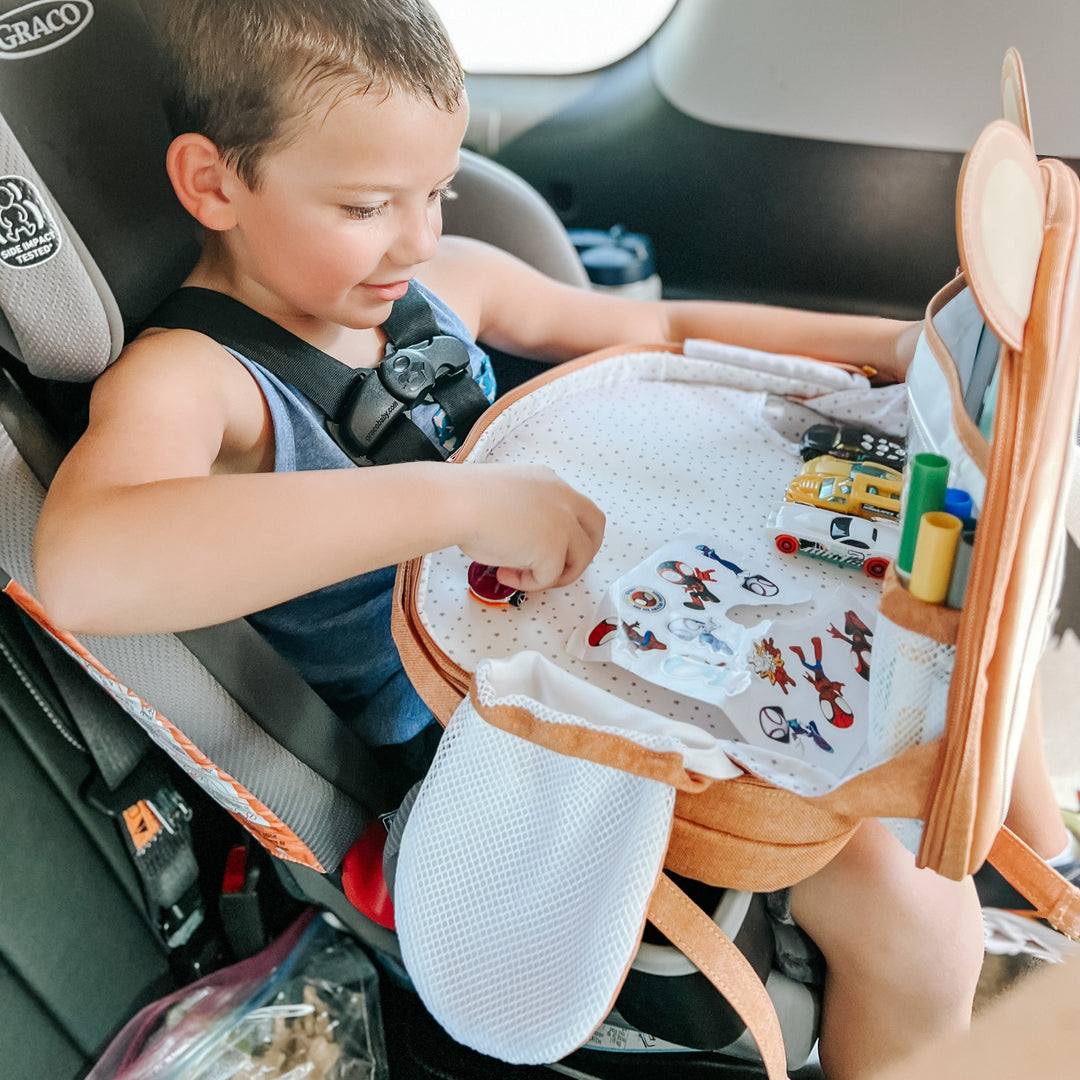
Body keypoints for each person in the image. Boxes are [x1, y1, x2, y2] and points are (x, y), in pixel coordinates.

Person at [32, 1, 982, 1077]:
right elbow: (84, 564)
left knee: (940, 682)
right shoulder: (196, 380)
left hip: (608, 636)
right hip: (498, 743)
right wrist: (459, 502)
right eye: (365, 204)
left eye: (435, 191)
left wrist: (909, 353)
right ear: (214, 183)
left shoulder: (440, 289)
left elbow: (660, 330)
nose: (420, 235)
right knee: (919, 919)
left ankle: (1036, 859)